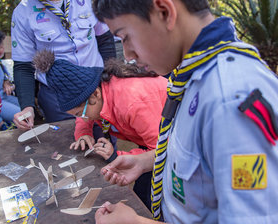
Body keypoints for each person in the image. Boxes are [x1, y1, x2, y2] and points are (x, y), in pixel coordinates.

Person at [92, 0, 278, 223]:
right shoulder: (191, 75)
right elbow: (203, 154)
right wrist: (147, 161)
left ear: (164, 11)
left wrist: (137, 222)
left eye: (126, 37)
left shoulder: (229, 99)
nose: (128, 54)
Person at [33, 50, 167, 210]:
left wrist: (118, 156)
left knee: (150, 200)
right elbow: (83, 115)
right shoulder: (99, 91)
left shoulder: (133, 103)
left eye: (80, 114)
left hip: (172, 146)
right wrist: (83, 133)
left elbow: (162, 151)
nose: (82, 119)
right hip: (153, 140)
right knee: (141, 193)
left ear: (95, 94)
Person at [11, 0, 116, 133]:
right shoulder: (23, 12)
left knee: (104, 137)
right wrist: (27, 106)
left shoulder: (88, 2)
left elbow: (105, 40)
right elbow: (23, 66)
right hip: (57, 97)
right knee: (67, 143)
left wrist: (109, 80)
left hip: (97, 85)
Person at [0, 30, 20, 131]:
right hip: (0, 103)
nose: (2, 49)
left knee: (26, 106)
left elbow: (5, 77)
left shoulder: (0, 63)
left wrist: (6, 82)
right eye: (0, 46)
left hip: (4, 97)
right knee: (22, 115)